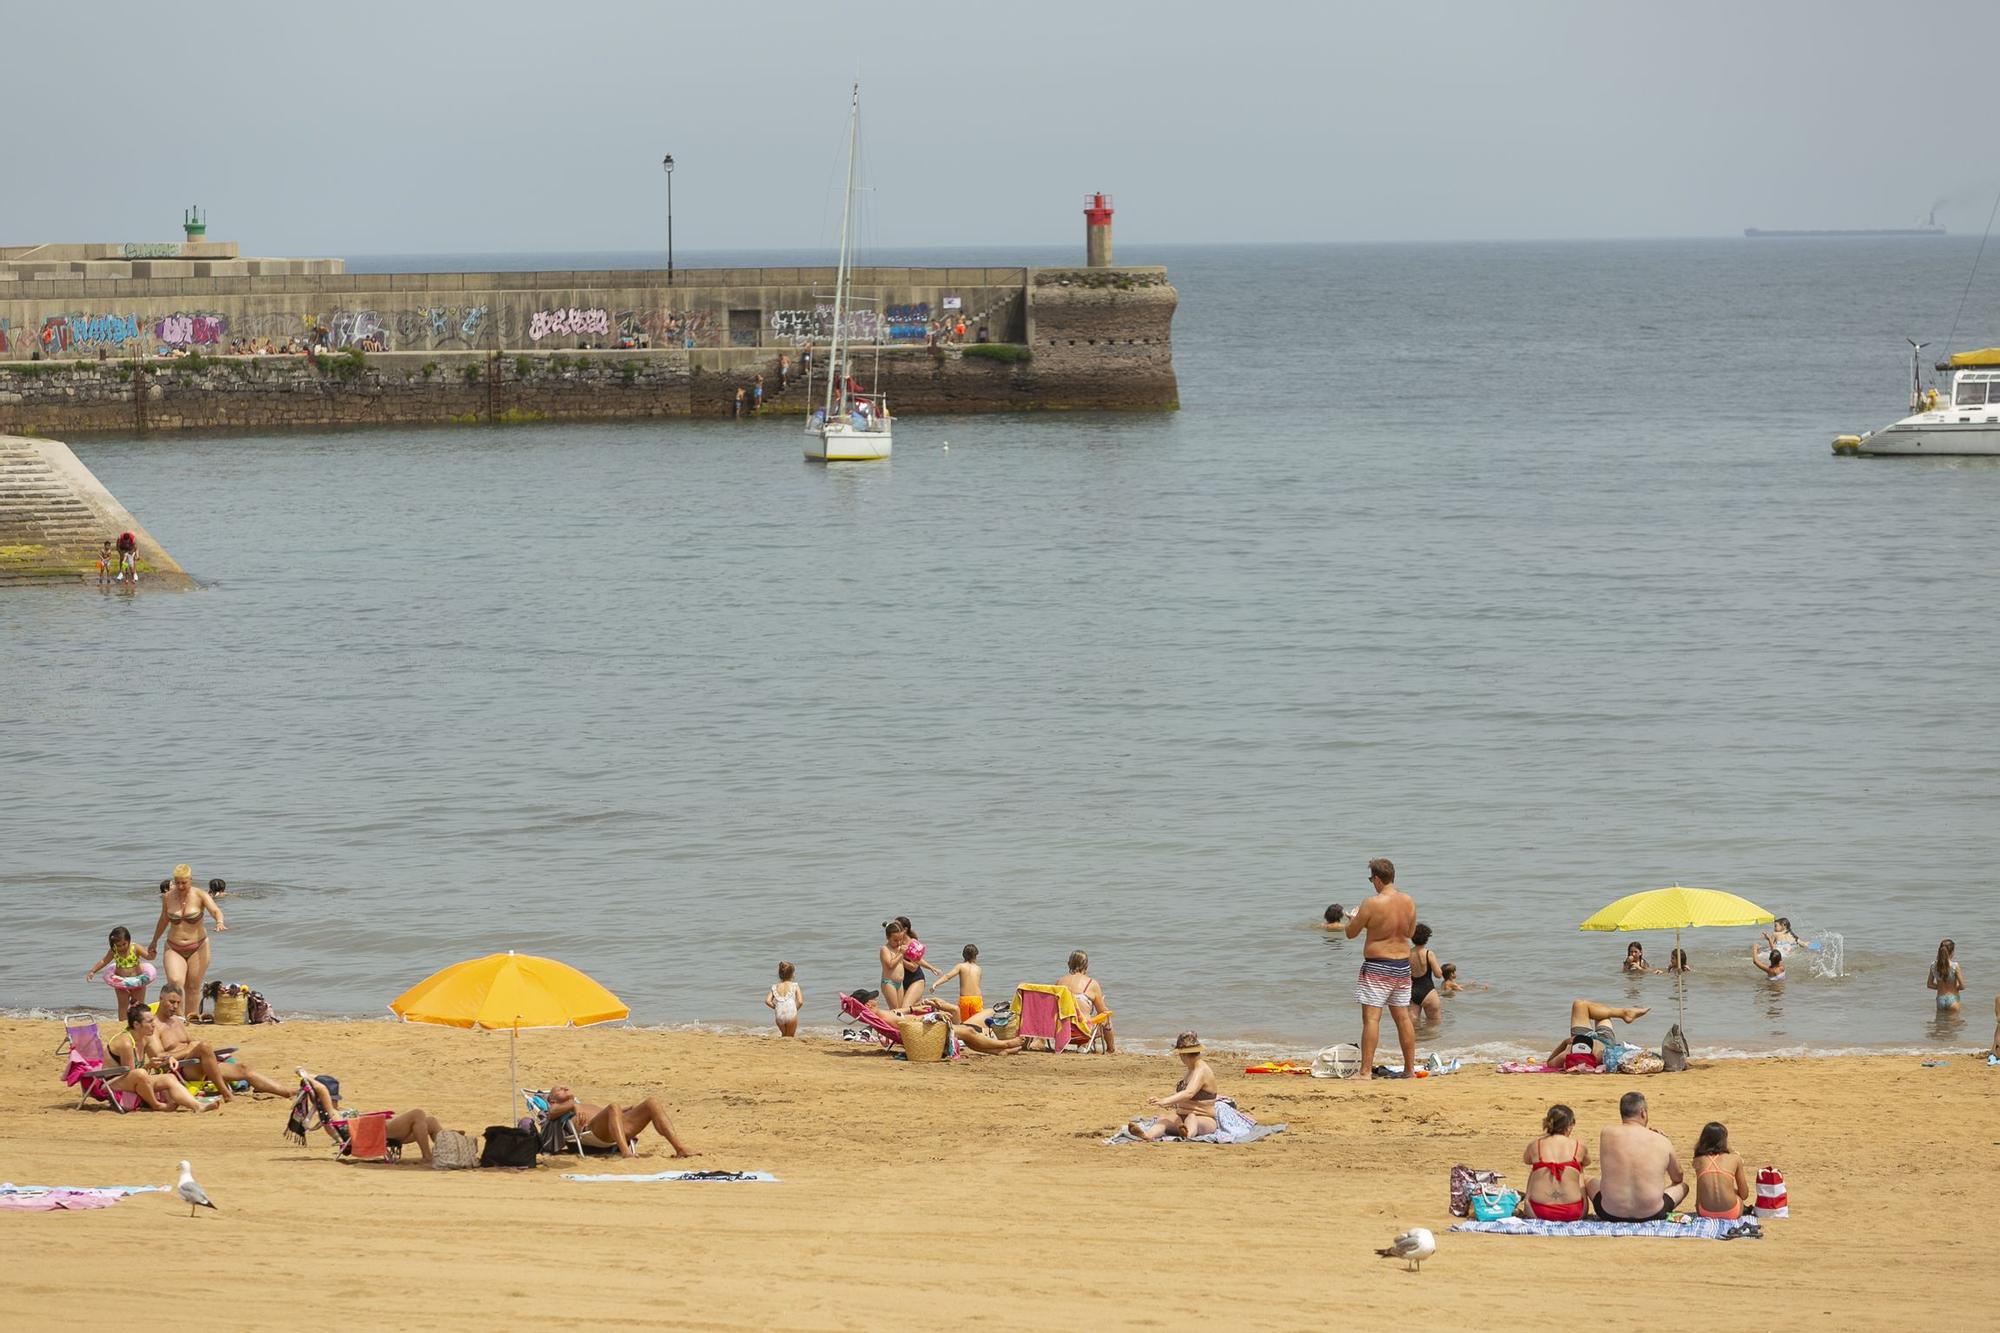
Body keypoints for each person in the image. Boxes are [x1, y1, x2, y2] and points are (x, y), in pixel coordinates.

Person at [1343, 857, 1416, 1080]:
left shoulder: (1371, 903)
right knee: (1403, 1018)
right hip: (1402, 966)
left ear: (1376, 879)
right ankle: (1409, 1070)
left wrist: (1354, 918)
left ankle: (1365, 1071)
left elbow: (1350, 933)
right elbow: (1411, 933)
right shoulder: (1408, 901)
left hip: (1378, 967)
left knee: (1372, 1019)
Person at [152, 981, 290, 1096]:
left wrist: (195, 1048)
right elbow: (159, 1059)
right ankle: (226, 1094)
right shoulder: (153, 1026)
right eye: (171, 1002)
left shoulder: (176, 1021)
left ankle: (286, 1092)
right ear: (161, 998)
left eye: (178, 1003)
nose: (175, 1007)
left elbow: (191, 1044)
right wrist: (191, 1049)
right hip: (182, 1069)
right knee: (204, 1045)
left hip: (198, 1063)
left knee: (243, 1068)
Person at [295, 1069, 445, 1163]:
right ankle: (427, 1156)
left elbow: (322, 1087)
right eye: (332, 1097)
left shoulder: (337, 1110)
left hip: (375, 1129)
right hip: (373, 1133)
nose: (334, 1100)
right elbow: (321, 1089)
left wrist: (309, 1076)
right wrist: (304, 1074)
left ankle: (446, 1153)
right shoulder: (331, 1113)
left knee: (430, 1121)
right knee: (417, 1114)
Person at [1590, 1091, 1686, 1221]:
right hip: (1652, 1213)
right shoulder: (1662, 1141)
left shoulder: (1606, 1133)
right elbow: (1678, 1176)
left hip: (1609, 1212)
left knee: (1587, 1180)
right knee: (1683, 1186)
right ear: (1643, 1112)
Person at [104, 1008, 217, 1112]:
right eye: (149, 1022)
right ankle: (156, 1105)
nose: (154, 1025)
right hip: (112, 1082)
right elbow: (131, 1073)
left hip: (135, 1079)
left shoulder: (144, 1037)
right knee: (141, 1073)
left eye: (153, 1021)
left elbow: (159, 1055)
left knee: (169, 1077)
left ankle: (197, 1106)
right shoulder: (126, 1043)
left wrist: (169, 1058)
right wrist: (149, 1066)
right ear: (136, 1024)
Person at [545, 1084, 696, 1158]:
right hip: (594, 1132)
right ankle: (626, 1152)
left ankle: (680, 1149)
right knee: (613, 1106)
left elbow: (609, 1113)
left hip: (616, 1126)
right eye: (559, 1089)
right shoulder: (556, 1107)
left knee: (652, 1102)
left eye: (566, 1086)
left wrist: (624, 1110)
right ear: (551, 1099)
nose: (565, 1087)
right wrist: (574, 1106)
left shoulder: (580, 1104)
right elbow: (551, 1114)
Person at [148, 863, 225, 1006]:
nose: (181, 886)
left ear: (191, 880)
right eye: (177, 883)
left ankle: (191, 1020)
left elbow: (215, 910)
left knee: (193, 987)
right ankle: (178, 1018)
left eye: (184, 883)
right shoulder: (168, 897)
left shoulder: (200, 895)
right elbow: (164, 919)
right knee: (175, 983)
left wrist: (219, 922)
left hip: (198, 946)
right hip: (173, 947)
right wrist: (154, 941)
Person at [1127, 1032, 1217, 1140]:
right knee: (1163, 1119)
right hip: (1180, 1117)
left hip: (1203, 1119)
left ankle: (1188, 1135)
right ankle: (1147, 1136)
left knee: (1191, 1118)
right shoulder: (1191, 1069)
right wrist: (1171, 1103)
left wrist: (1165, 1100)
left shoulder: (1201, 1069)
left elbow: (1189, 1093)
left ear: (1182, 1054)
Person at [1521, 1104, 1591, 1222]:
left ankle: (1527, 1202)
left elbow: (1526, 1160)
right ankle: (1583, 1205)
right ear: (1570, 1125)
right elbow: (1587, 1162)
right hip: (1574, 1211)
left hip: (1538, 1211)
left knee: (1536, 1168)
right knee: (1579, 1169)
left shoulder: (1535, 1145)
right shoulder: (1578, 1147)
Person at [1545, 1000, 1650, 1068]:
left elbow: (1549, 1063)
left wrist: (1565, 1042)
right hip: (1605, 1042)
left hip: (1582, 1039)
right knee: (1596, 1010)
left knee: (1581, 1004)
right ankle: (1624, 1013)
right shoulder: (1601, 1056)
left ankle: (1625, 1013)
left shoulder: (1567, 1054)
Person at [85, 925, 155, 1021]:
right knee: (122, 1004)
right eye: (118, 945)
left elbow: (148, 956)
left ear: (129, 941)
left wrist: (152, 954)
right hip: (121, 984)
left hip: (138, 982)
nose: (122, 947)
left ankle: (138, 1022)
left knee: (138, 1004)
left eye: (124, 944)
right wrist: (93, 971)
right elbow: (104, 961)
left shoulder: (135, 948)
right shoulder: (114, 951)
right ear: (114, 944)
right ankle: (122, 1023)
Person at [1690, 1121, 1753, 1220]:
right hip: (1732, 1212)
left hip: (1705, 1212)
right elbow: (1744, 1194)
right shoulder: (1735, 1159)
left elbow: (1700, 1192)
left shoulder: (1697, 1161)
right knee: (1733, 1191)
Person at [1059, 950, 1115, 1053]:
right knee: (1106, 1016)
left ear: (1068, 964)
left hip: (1061, 1031)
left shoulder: (1060, 982)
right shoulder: (1091, 983)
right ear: (1086, 966)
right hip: (1082, 1033)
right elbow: (1101, 1011)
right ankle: (1111, 1049)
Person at [930, 944, 986, 1023]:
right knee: (977, 1022)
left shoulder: (960, 966)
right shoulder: (978, 968)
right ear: (975, 956)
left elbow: (948, 976)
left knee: (964, 1023)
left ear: (963, 955)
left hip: (965, 999)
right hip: (976, 999)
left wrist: (935, 984)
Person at [1409, 923, 1442, 1022]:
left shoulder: (1407, 953)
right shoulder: (1429, 954)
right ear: (1426, 938)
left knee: (1413, 1025)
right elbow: (1438, 975)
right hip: (1428, 991)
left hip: (1412, 992)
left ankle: (1417, 1038)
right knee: (1434, 1023)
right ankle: (1431, 1038)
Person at [876, 921, 910, 1011]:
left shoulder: (899, 948)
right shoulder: (885, 949)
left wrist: (930, 967)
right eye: (895, 940)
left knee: (900, 1009)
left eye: (900, 940)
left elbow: (916, 959)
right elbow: (890, 965)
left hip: (899, 983)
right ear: (888, 937)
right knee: (894, 1009)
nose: (898, 943)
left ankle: (896, 1024)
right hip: (889, 982)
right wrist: (901, 953)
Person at [766, 962, 802, 1037]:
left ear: (780, 974)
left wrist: (776, 1007)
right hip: (791, 1014)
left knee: (784, 1035)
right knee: (790, 1036)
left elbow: (767, 1001)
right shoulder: (795, 985)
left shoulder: (775, 987)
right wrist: (794, 1009)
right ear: (792, 974)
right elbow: (800, 1001)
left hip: (779, 1014)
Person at [1927, 939, 1964, 1012]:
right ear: (1952, 952)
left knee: (1940, 1022)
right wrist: (1954, 987)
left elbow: (1929, 984)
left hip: (1940, 999)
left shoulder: (1933, 965)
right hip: (1953, 998)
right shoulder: (1955, 966)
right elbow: (1962, 986)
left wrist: (1940, 987)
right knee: (1955, 1022)